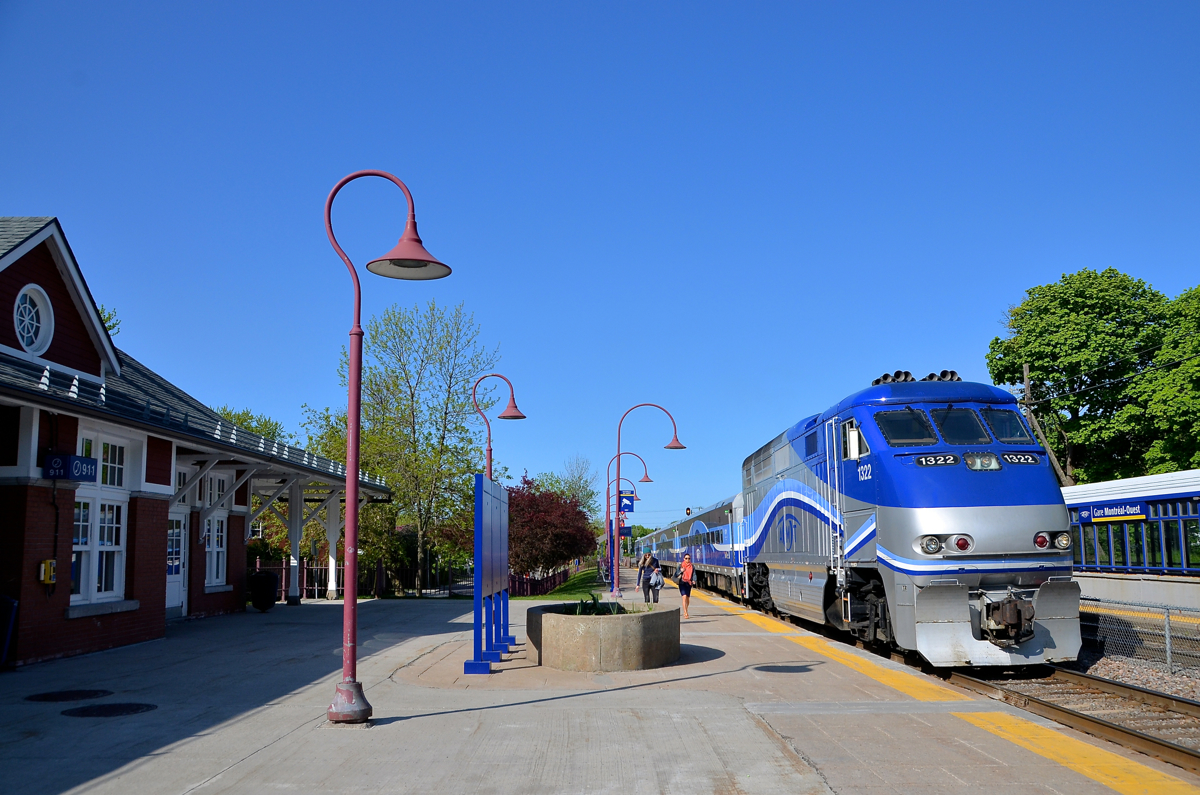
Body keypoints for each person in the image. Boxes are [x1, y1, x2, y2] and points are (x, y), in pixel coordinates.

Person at [678, 553, 695, 619]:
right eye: (686, 558)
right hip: (682, 583)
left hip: (689, 583)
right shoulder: (680, 566)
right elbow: (676, 573)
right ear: (684, 559)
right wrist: (680, 571)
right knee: (684, 597)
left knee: (687, 598)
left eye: (689, 558)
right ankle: (685, 612)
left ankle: (686, 609)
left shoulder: (692, 566)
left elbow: (694, 574)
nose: (687, 560)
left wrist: (694, 580)